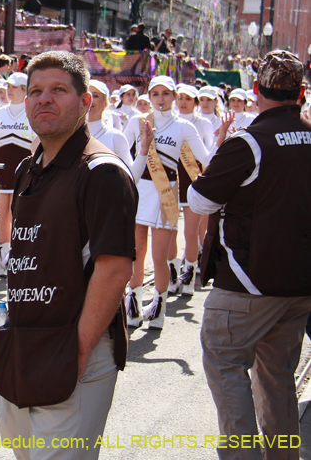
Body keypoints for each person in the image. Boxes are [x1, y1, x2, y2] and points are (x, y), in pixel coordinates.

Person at [0, 51, 137, 460]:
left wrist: (76, 351)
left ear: (86, 101)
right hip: (23, 344)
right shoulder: (27, 168)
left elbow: (114, 269)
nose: (44, 99)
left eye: (59, 90)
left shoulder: (102, 172)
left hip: (74, 350)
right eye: (35, 91)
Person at [188, 50, 311, 459]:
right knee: (278, 381)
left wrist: (219, 156)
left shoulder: (249, 141)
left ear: (256, 91)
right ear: (302, 93)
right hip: (299, 284)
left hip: (245, 282)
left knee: (226, 369)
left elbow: (201, 201)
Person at [124, 76, 215, 329]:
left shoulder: (184, 127)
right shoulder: (137, 121)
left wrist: (220, 141)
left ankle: (159, 307)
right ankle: (133, 306)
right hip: (140, 191)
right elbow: (123, 158)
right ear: (149, 97)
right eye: (155, 94)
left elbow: (205, 158)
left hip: (167, 194)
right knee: (136, 253)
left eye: (166, 93)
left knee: (160, 255)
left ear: (174, 96)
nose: (161, 99)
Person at [171, 83, 214, 296]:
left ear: (195, 102)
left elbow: (207, 155)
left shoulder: (203, 123)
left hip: (193, 180)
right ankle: (171, 276)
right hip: (169, 181)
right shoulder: (169, 122)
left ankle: (188, 278)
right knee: (170, 232)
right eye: (180, 98)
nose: (183, 103)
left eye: (188, 99)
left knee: (191, 232)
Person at [0, 72, 33, 275]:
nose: (9, 90)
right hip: (3, 168)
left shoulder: (31, 110)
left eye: (14, 87)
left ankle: (19, 254)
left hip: (25, 169)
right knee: (2, 214)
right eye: (8, 86)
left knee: (19, 214)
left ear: (24, 90)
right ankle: (4, 256)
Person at [87, 80, 132, 169]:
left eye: (95, 96)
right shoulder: (66, 134)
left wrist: (142, 154)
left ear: (105, 103)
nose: (89, 99)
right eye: (85, 95)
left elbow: (130, 173)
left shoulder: (115, 137)